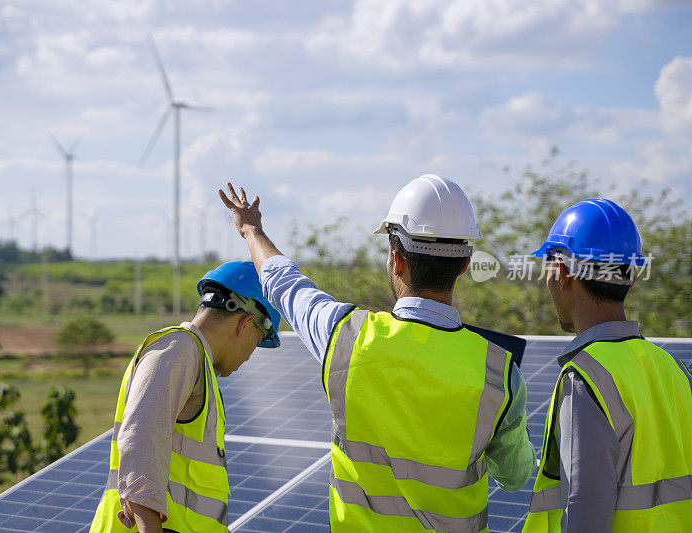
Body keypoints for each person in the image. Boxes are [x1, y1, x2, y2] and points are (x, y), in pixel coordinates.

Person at [219, 176, 535, 532]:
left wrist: (251, 230)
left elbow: (283, 283)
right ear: (464, 264)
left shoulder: (347, 336)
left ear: (396, 259)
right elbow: (515, 476)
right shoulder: (499, 372)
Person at [522, 198, 692, 532]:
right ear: (629, 280)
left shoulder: (586, 379)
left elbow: (584, 517)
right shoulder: (676, 370)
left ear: (563, 273)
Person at [89, 261, 281, 533]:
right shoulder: (178, 349)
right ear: (246, 322)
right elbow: (141, 438)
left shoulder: (196, 362)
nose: (250, 354)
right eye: (257, 340)